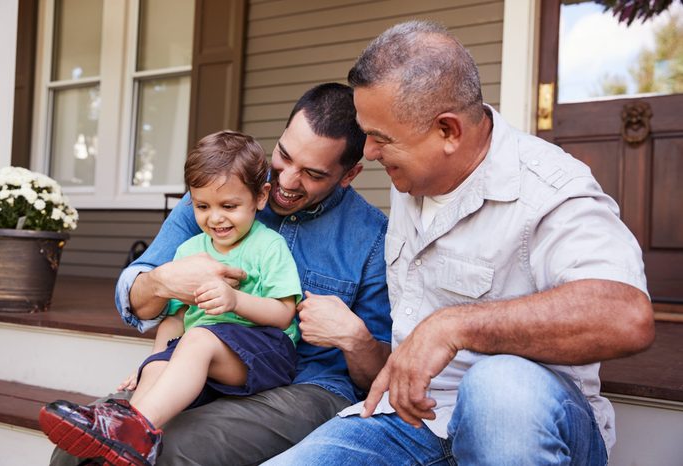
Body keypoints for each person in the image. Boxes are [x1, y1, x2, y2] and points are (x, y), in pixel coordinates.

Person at [263, 20, 655, 466]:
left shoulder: (549, 187)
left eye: (380, 139)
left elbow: (626, 314)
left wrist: (454, 325)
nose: (367, 153)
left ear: (448, 132)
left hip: (523, 425)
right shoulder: (412, 174)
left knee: (499, 385)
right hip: (410, 422)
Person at [48, 82, 392, 466]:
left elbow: (377, 375)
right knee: (76, 451)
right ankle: (131, 427)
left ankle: (137, 431)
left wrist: (356, 339)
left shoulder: (373, 238)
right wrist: (163, 283)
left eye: (312, 173)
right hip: (204, 363)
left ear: (349, 174)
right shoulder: (219, 193)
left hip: (308, 383)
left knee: (176, 448)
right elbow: (141, 297)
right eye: (284, 156)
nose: (287, 181)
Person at [40, 131, 305, 464]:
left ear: (260, 198)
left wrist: (235, 301)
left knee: (197, 339)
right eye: (202, 206)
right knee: (164, 361)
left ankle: (133, 430)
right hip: (206, 353)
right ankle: (123, 438)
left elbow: (283, 314)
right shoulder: (189, 251)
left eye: (229, 206)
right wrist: (152, 361)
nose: (215, 217)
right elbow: (175, 318)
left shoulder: (268, 246)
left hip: (266, 352)